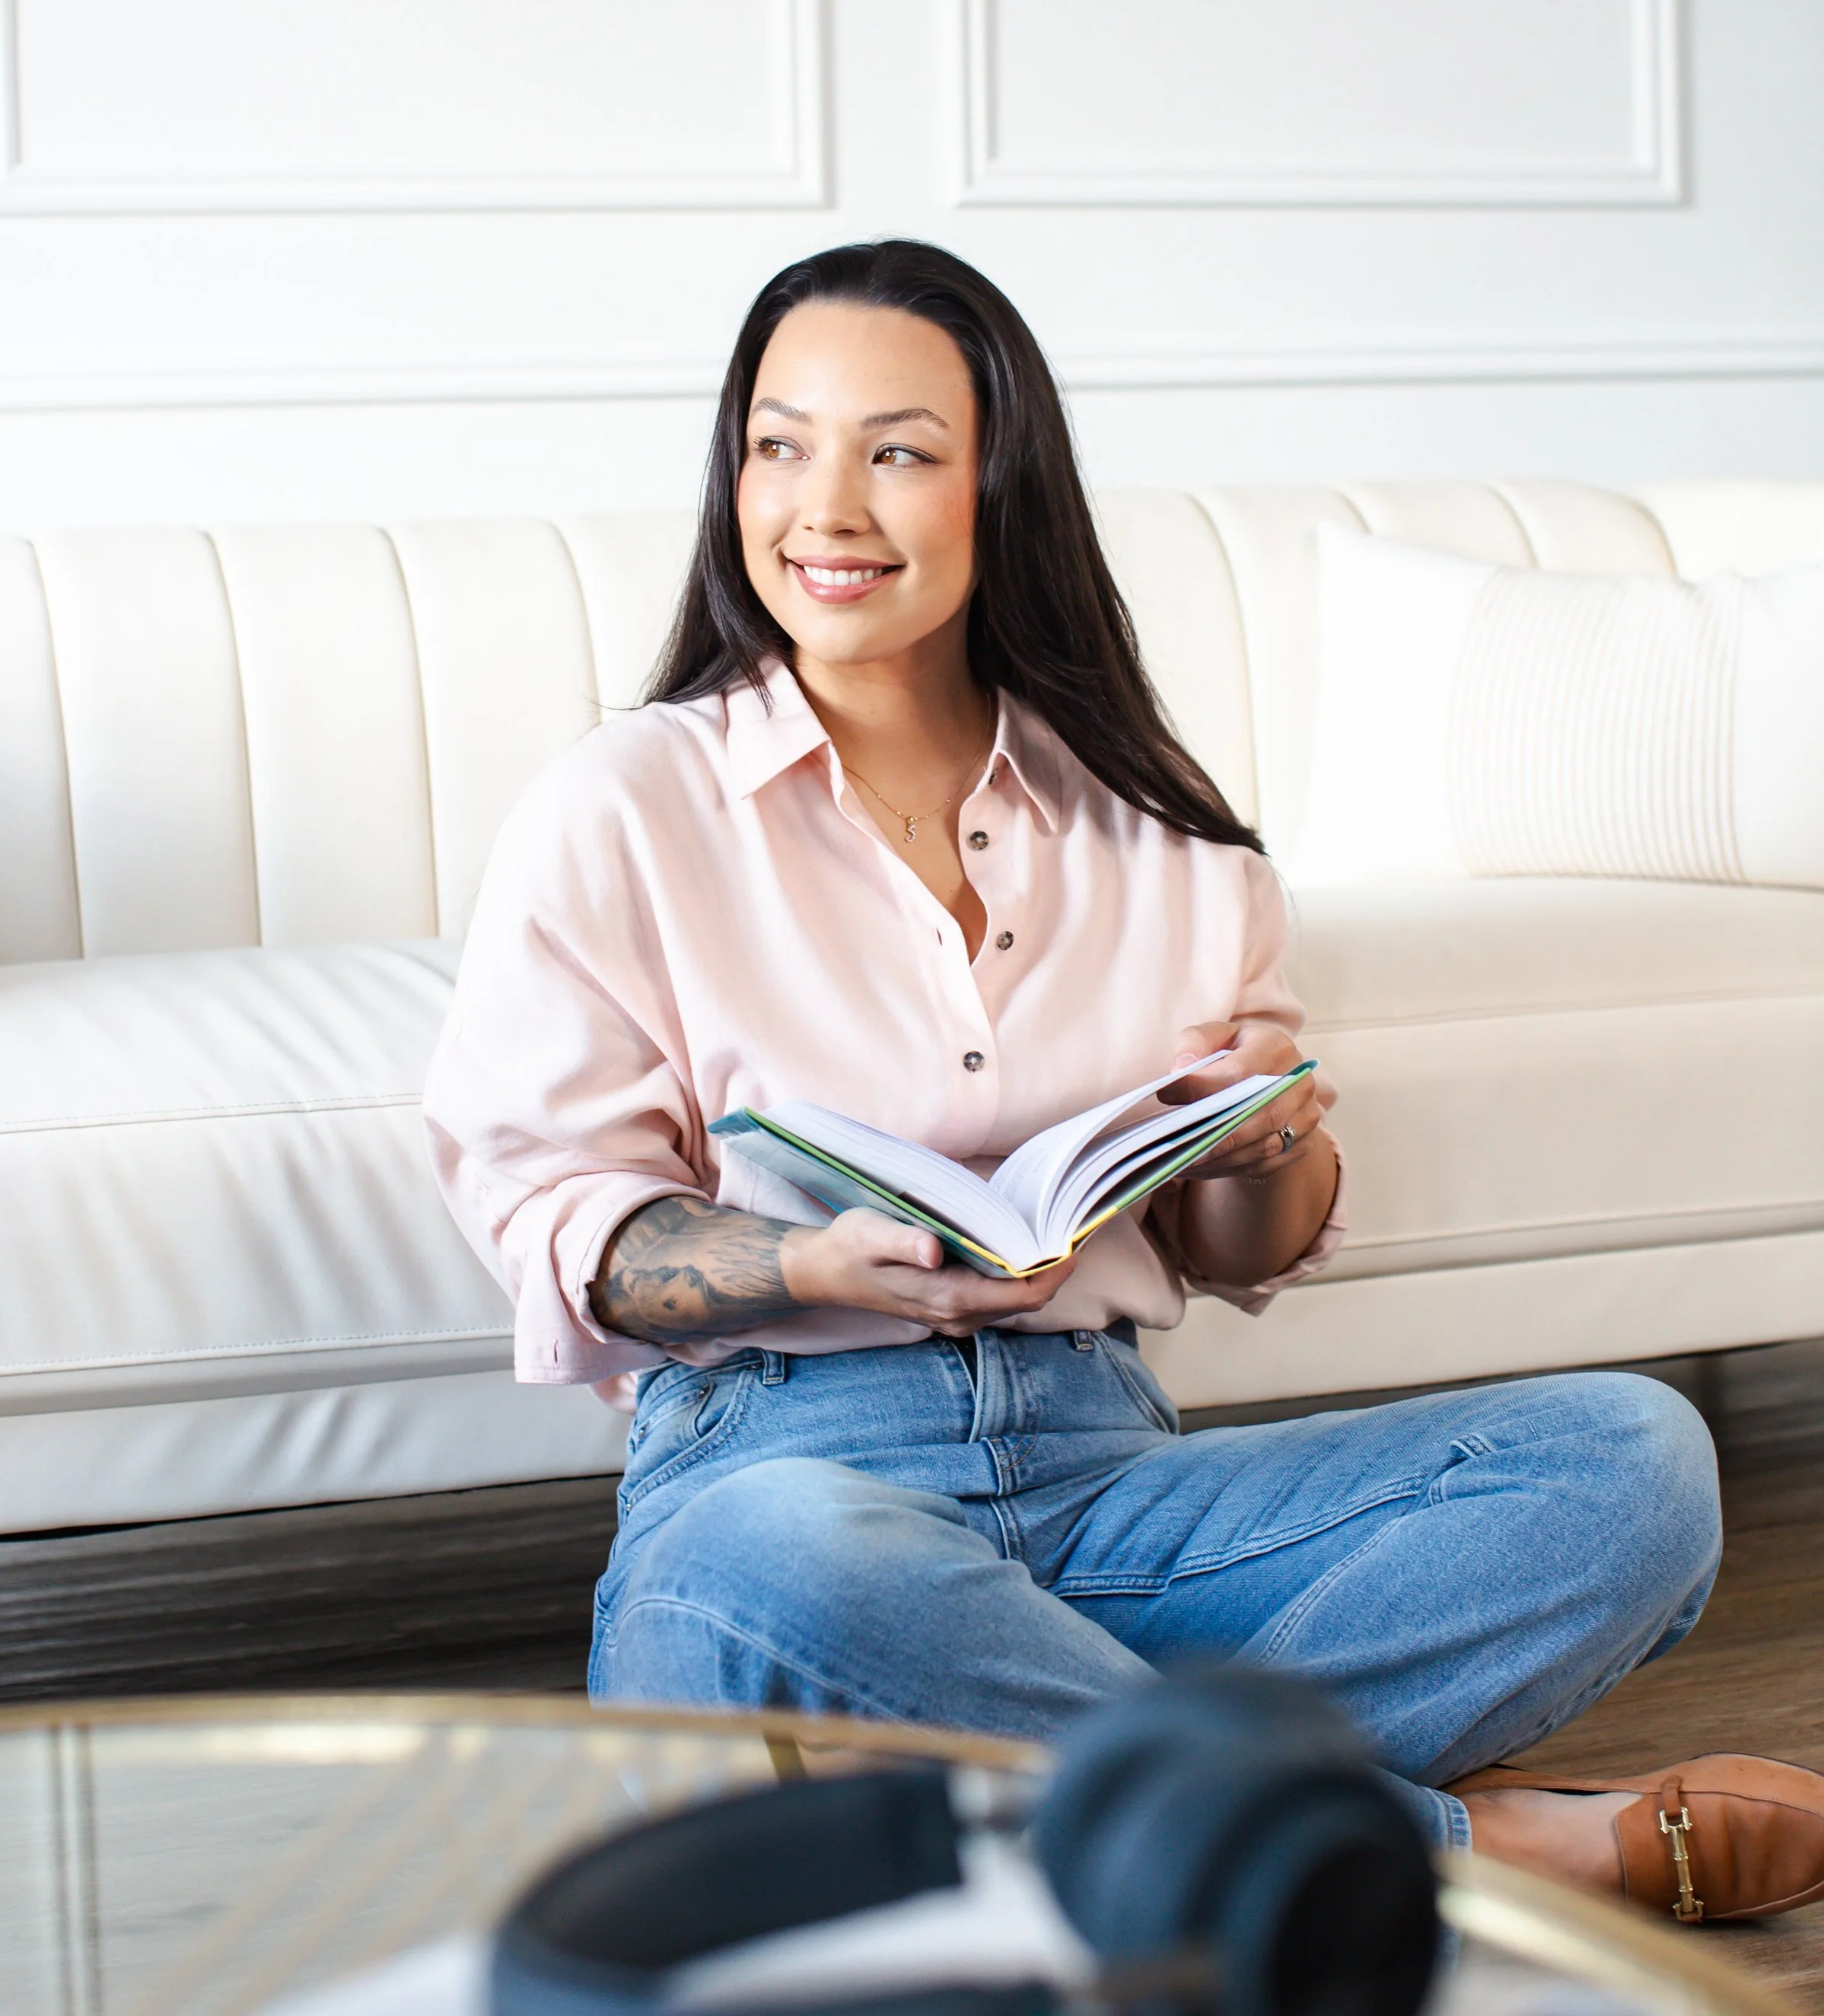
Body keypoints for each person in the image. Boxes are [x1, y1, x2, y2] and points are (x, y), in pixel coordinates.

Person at [426, 240, 1824, 1922]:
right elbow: (567, 1229)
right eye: (778, 445)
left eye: (896, 451)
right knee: (760, 1570)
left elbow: (1241, 1256)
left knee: (1632, 1463)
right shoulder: (623, 806)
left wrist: (1264, 1146)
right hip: (782, 1470)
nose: (823, 507)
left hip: (1114, 1486)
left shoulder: (1160, 832)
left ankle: (1026, 1790)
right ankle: (1454, 1860)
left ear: (1000, 486)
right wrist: (806, 1263)